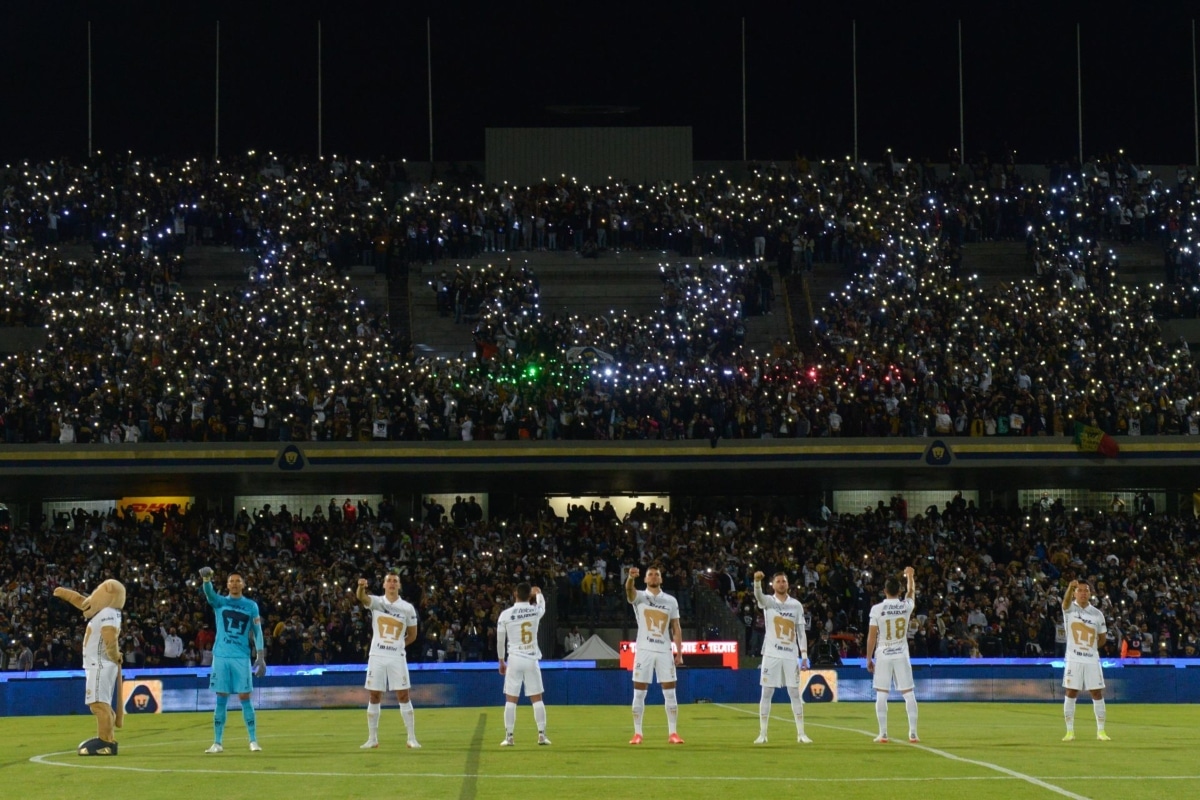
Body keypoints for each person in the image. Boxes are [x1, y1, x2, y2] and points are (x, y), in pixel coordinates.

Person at [199, 567, 266, 753]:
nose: (235, 584)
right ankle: (217, 743)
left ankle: (253, 740)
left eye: (238, 581)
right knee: (221, 697)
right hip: (221, 656)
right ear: (227, 585)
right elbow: (209, 593)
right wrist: (206, 580)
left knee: (245, 696)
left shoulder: (251, 606)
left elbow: (257, 632)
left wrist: (260, 656)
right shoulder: (220, 602)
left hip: (241, 657)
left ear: (243, 584)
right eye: (231, 581)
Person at [356, 570, 420, 749]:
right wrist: (361, 587)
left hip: (396, 656)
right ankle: (372, 739)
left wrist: (398, 645)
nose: (392, 583)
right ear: (384, 585)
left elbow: (413, 635)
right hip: (376, 655)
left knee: (403, 695)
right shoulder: (377, 602)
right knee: (374, 695)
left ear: (399, 585)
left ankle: (411, 738)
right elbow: (362, 597)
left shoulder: (407, 608)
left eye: (395, 581)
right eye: (389, 581)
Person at [625, 564, 684, 744]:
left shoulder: (671, 601)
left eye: (656, 574)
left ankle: (673, 733)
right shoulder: (640, 597)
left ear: (661, 578)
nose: (653, 577)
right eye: (650, 575)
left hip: (664, 650)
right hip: (644, 650)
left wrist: (679, 652)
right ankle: (637, 733)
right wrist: (630, 578)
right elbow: (629, 591)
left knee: (670, 692)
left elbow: (676, 627)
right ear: (645, 579)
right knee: (639, 693)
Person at [751, 570, 812, 744]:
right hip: (771, 654)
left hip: (790, 655)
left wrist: (804, 655)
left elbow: (801, 632)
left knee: (794, 692)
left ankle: (801, 733)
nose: (781, 584)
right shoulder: (769, 602)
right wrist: (756, 582)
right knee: (767, 692)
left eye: (784, 581)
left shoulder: (796, 605)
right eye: (778, 581)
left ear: (788, 584)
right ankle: (762, 734)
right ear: (773, 584)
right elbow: (758, 596)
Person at [865, 566, 919, 743]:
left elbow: (872, 636)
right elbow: (911, 592)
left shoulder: (877, 609)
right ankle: (913, 733)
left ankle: (883, 733)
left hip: (884, 654)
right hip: (901, 654)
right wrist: (910, 576)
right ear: (899, 590)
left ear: (884, 591)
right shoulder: (905, 606)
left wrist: (868, 658)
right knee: (908, 693)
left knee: (882, 693)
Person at [496, 582, 550, 746]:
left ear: (515, 594)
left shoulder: (505, 614)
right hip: (531, 658)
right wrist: (539, 593)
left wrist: (501, 660)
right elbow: (543, 607)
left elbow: (500, 641)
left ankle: (509, 736)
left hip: (514, 659)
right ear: (530, 595)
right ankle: (541, 735)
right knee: (537, 699)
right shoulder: (534, 611)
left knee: (511, 700)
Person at [1061, 579, 1110, 741]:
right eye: (1079, 590)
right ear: (1075, 593)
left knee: (1096, 693)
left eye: (1086, 590)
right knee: (1071, 692)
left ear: (1090, 594)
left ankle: (1101, 731)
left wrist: (1091, 648)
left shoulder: (1097, 614)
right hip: (1073, 659)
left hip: (1091, 660)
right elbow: (1065, 603)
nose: (1083, 593)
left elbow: (1102, 638)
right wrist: (1069, 587)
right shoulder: (1070, 609)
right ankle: (1069, 731)